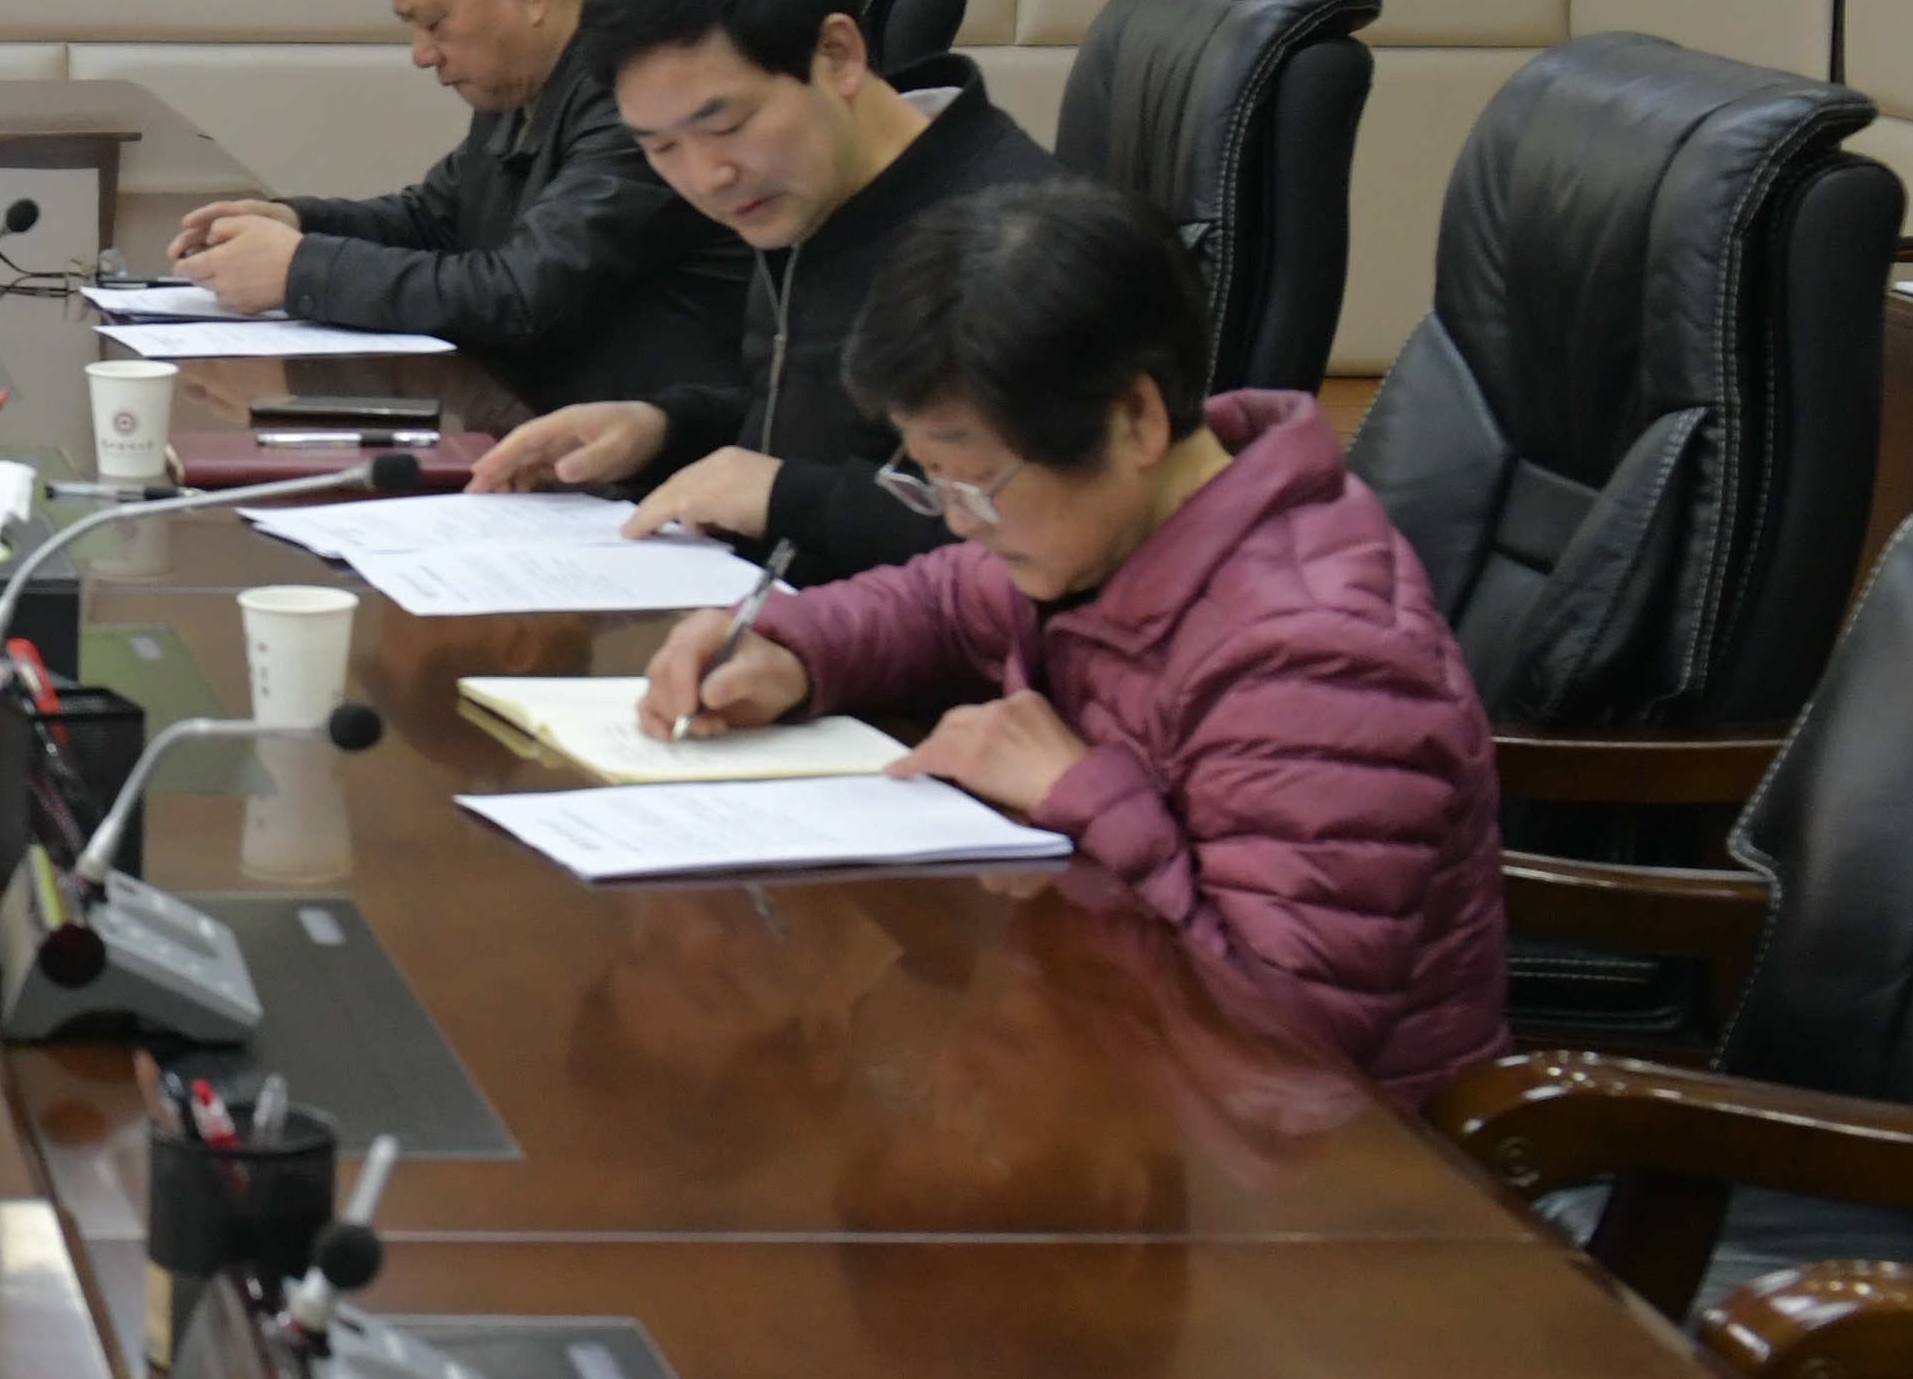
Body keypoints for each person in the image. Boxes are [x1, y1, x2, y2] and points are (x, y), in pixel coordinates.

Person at [631, 184, 1508, 1105]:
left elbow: (1285, 1041)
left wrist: (1080, 792)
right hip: (1111, 1055)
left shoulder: (1315, 660)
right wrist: (794, 648)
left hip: (1312, 1162)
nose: (959, 524)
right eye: (933, 483)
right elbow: (942, 602)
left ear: (1135, 421)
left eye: (975, 485)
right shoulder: (1122, 524)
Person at [468, 0, 1058, 581]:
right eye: (661, 147)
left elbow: (1039, 535)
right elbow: (813, 421)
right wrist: (662, 428)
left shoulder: (1013, 248)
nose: (706, 177)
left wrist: (787, 497)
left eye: (728, 126)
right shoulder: (812, 193)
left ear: (838, 54)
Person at [164, 0, 743, 408]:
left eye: (435, 22)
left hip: (650, 448)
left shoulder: (638, 98)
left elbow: (522, 297)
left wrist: (300, 270)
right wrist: (297, 223)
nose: (422, 54)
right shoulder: (523, 82)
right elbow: (437, 220)